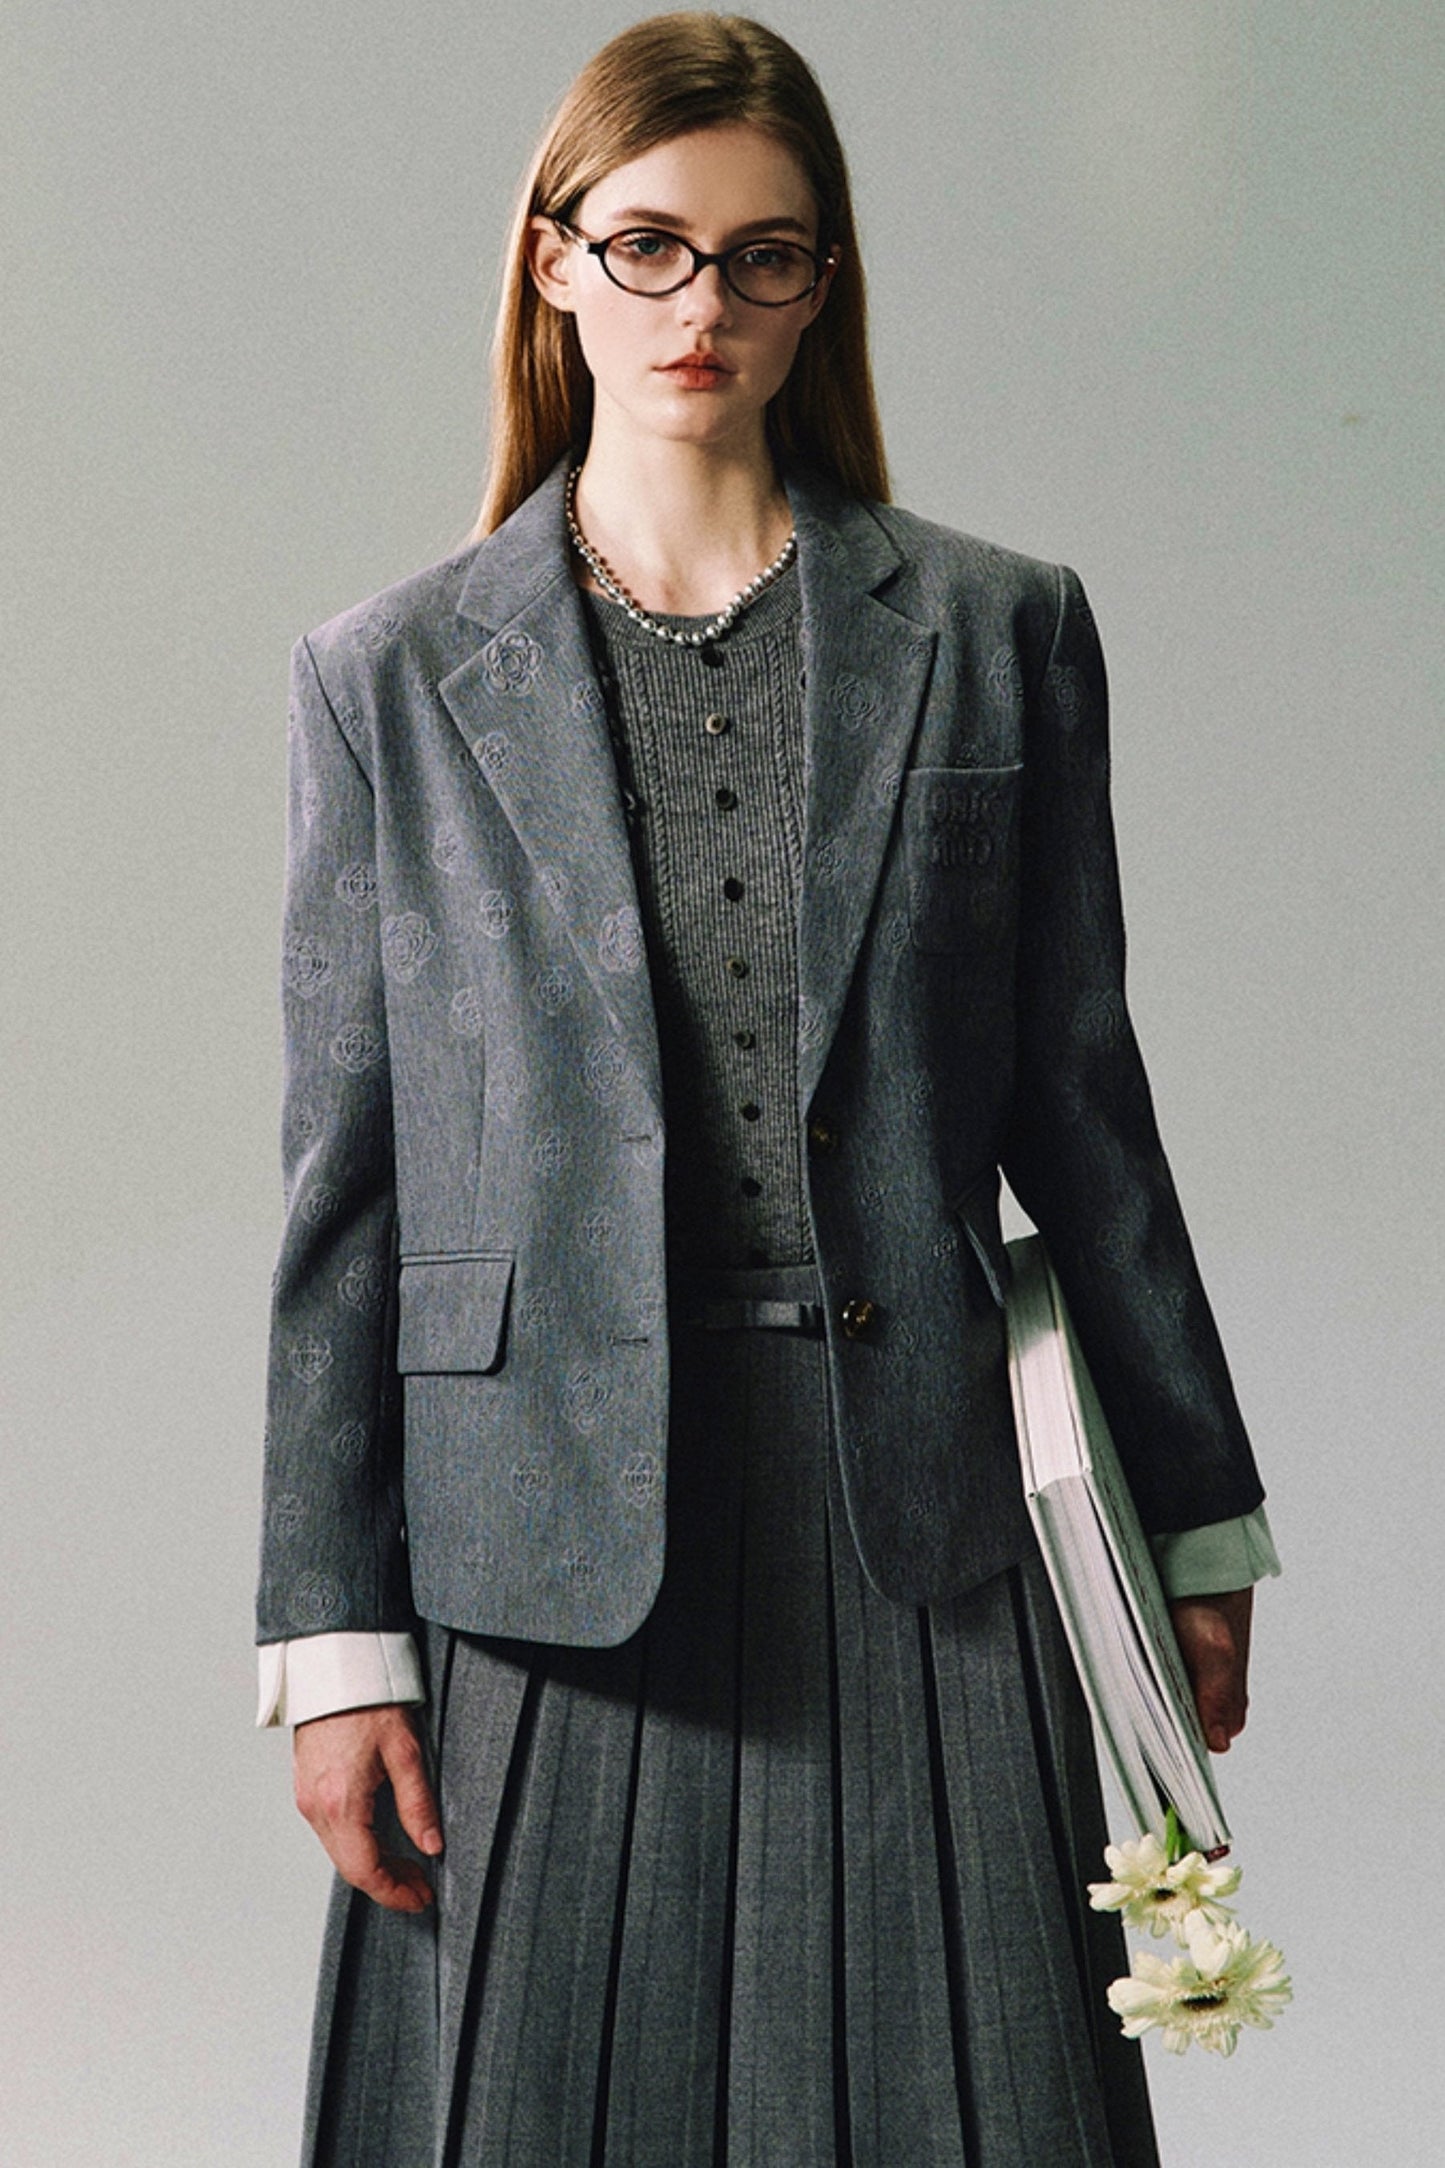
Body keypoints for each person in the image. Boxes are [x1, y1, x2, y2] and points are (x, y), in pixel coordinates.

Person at [257, 14, 1279, 2163]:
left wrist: (1195, 1516)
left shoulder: (999, 633)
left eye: (761, 255)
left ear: (825, 285)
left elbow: (1086, 1110)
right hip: (538, 1543)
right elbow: (350, 1189)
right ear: (552, 260)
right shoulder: (388, 678)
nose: (698, 304)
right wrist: (331, 1637)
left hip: (923, 1513)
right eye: (646, 245)